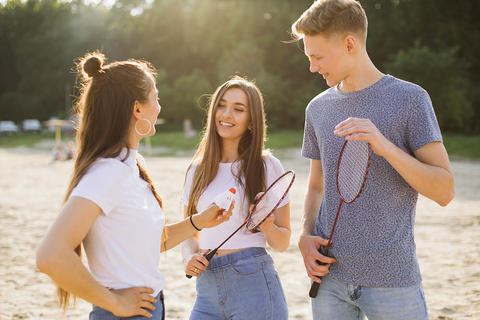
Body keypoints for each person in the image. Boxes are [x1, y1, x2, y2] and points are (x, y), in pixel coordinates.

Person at [35, 52, 232, 320]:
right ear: (137, 109)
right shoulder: (109, 172)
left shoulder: (132, 164)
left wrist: (199, 221)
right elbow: (50, 255)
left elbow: (151, 242)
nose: (160, 106)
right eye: (156, 97)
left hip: (149, 309)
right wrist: (115, 303)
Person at [290, 1, 455, 319]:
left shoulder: (410, 100)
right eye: (309, 57)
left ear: (349, 44)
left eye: (318, 56)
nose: (312, 67)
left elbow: (445, 190)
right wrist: (304, 237)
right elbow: (316, 186)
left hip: (392, 284)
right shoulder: (317, 109)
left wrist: (385, 146)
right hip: (328, 283)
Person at [181, 76, 291, 320]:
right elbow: (189, 231)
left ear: (251, 122)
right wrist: (189, 257)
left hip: (254, 285)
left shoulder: (268, 166)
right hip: (207, 290)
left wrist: (268, 225)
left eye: (238, 109)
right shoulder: (195, 170)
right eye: (221, 105)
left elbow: (282, 242)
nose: (226, 114)